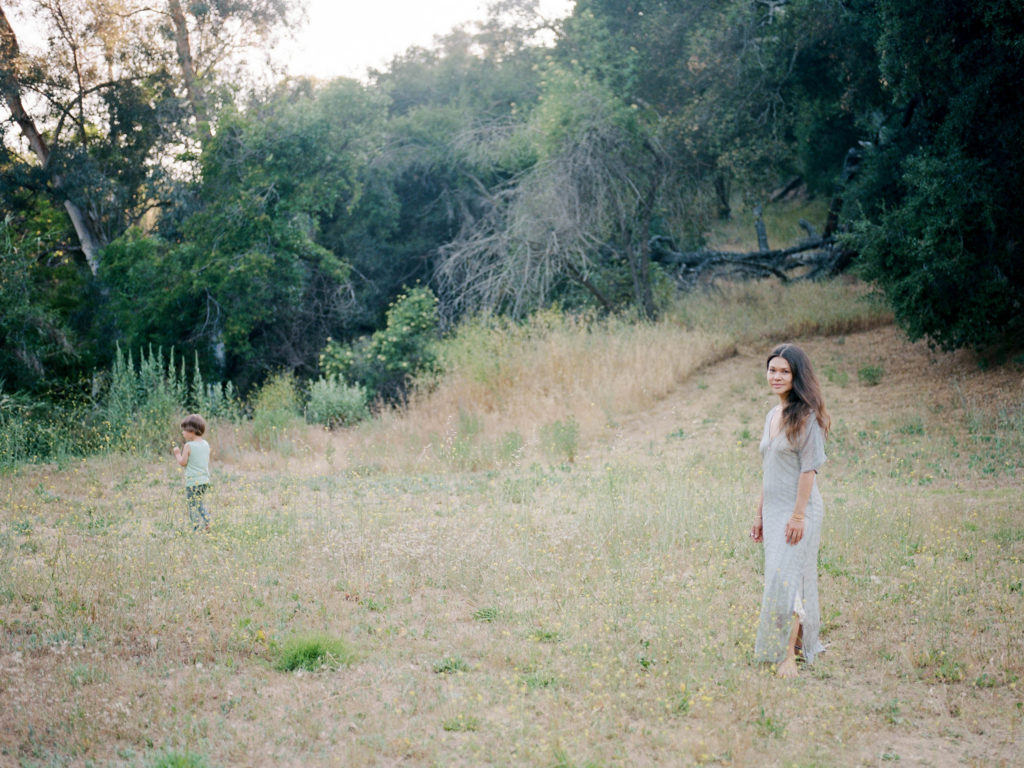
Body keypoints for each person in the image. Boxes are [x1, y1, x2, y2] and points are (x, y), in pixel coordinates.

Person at [750, 343, 830, 678]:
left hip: (799, 510)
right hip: (773, 509)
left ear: (797, 375)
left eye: (784, 371)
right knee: (778, 580)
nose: (777, 376)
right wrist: (759, 514)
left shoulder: (807, 417)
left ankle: (786, 659)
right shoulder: (772, 415)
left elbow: (808, 470)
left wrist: (798, 515)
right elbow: (768, 472)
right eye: (772, 370)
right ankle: (793, 646)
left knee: (787, 582)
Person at [172, 413, 211, 531]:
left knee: (192, 506)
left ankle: (195, 527)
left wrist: (177, 454)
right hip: (204, 480)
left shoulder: (188, 446)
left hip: (193, 482)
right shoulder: (205, 444)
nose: (183, 433)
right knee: (199, 503)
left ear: (192, 430)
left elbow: (183, 463)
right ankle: (207, 521)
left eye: (184, 430)